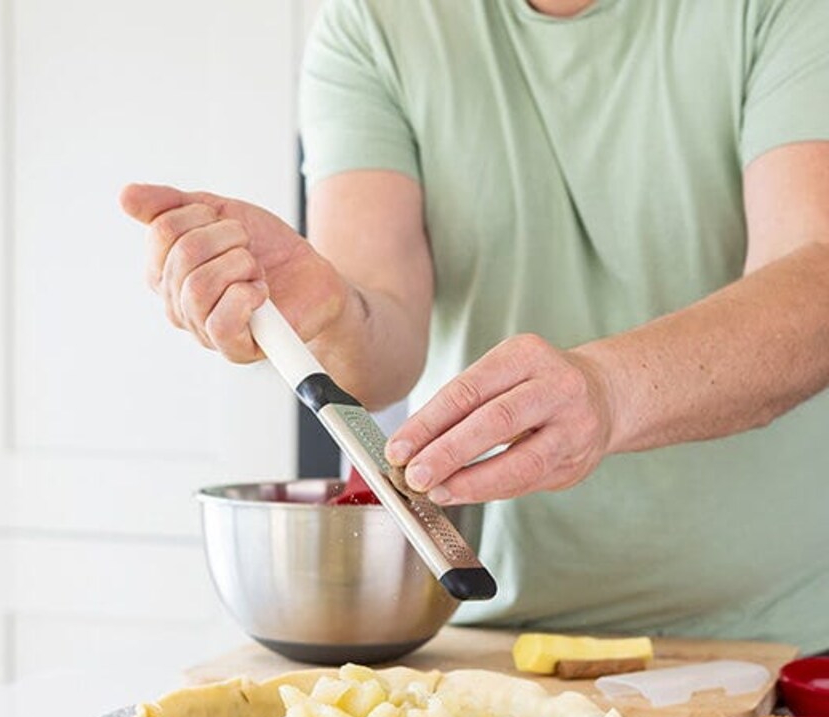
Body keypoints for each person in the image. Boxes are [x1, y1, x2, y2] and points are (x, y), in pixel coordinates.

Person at [121, 0, 829, 654]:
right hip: (486, 635)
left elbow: (815, 281)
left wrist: (607, 393)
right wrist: (328, 309)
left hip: (773, 640)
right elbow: (381, 346)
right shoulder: (374, 22)